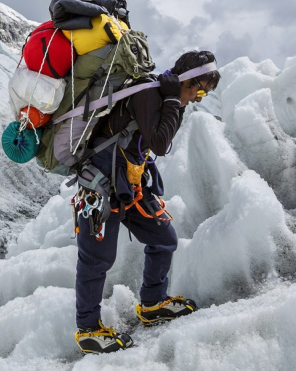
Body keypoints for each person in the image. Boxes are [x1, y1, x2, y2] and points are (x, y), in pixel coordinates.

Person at [74, 50, 221, 354]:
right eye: (201, 89)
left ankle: (152, 303)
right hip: (99, 186)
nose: (200, 97)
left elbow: (156, 140)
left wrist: (172, 102)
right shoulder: (148, 94)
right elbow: (160, 143)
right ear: (187, 80)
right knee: (96, 259)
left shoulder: (165, 97)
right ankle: (89, 330)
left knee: (164, 238)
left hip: (129, 184)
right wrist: (170, 101)